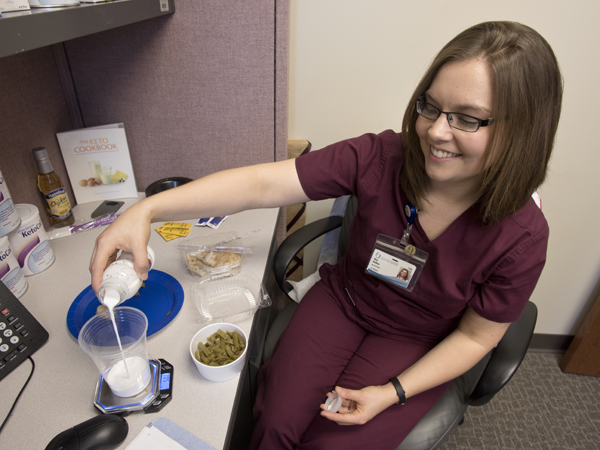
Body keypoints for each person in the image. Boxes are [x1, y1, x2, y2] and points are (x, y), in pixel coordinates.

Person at [89, 21, 562, 450]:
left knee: (333, 443)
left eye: (466, 117)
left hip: (419, 340)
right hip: (346, 301)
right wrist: (146, 209)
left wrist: (391, 393)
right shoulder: (382, 156)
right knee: (273, 423)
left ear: (521, 131)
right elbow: (262, 184)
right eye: (431, 107)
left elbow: (478, 339)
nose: (436, 131)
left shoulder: (521, 236)